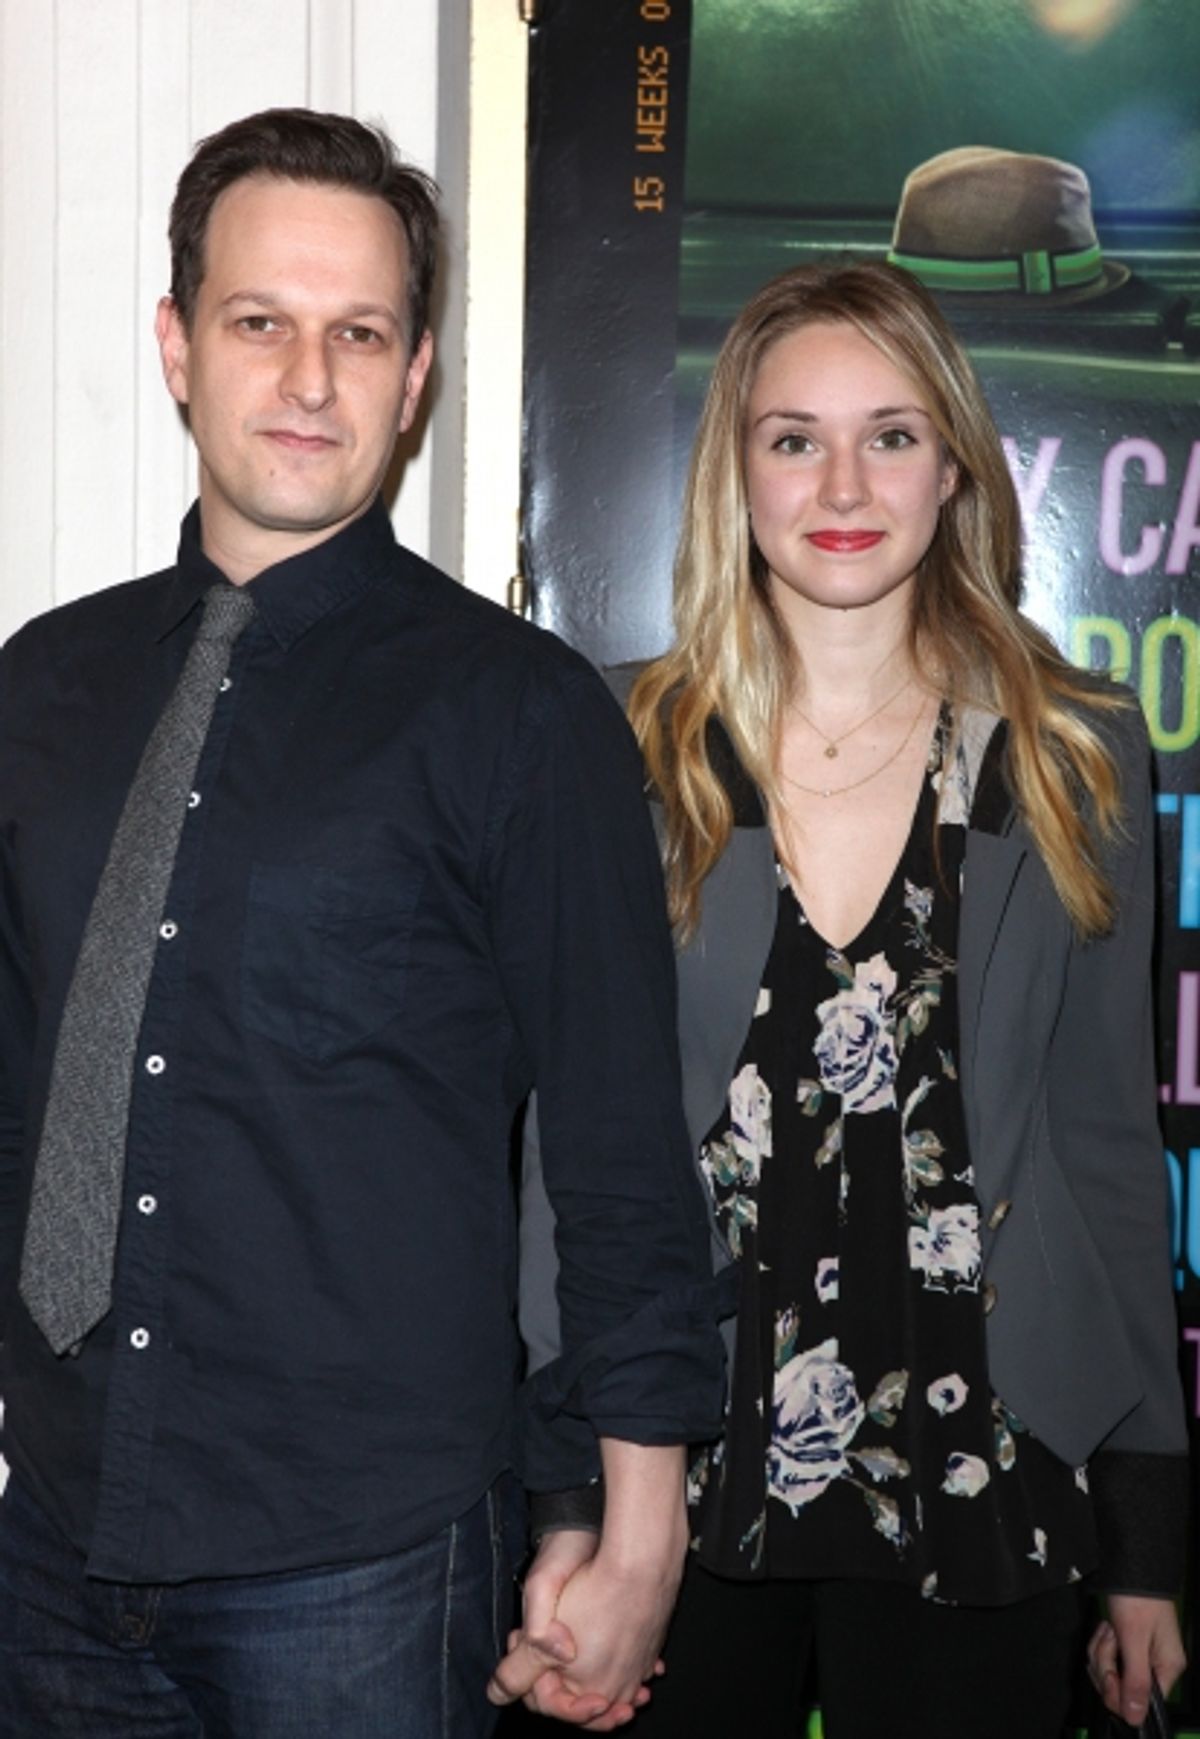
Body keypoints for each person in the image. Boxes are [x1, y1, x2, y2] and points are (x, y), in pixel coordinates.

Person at [0, 108, 726, 1738]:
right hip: (48, 1533)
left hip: (364, 1569)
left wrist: (636, 1531)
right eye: (262, 323)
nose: (309, 379)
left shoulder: (521, 717)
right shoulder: (40, 687)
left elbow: (618, 1151)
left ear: (415, 381)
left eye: (360, 335)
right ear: (180, 347)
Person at [496, 260, 1188, 1737]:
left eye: (891, 433)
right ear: (734, 473)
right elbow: (570, 1160)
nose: (843, 482)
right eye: (793, 437)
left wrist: (1147, 1542)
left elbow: (1108, 1153)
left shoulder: (1073, 752)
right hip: (682, 1471)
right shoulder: (628, 747)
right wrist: (567, 1496)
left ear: (954, 467)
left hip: (986, 1462)